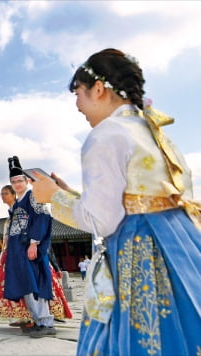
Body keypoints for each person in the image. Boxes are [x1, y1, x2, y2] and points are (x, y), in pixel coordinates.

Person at [31, 48, 201, 356]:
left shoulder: (106, 134)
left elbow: (102, 220)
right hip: (183, 242)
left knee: (138, 337)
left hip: (140, 247)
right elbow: (133, 200)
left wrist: (52, 197)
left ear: (99, 89)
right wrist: (70, 194)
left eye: (79, 94)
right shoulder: (152, 130)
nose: (78, 105)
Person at [3, 157, 56, 338]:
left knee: (35, 283)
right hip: (18, 250)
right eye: (13, 182)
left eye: (20, 181)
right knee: (26, 284)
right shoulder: (17, 203)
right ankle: (37, 320)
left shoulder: (34, 197)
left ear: (27, 181)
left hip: (29, 247)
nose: (17, 184)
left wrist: (34, 243)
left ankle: (46, 322)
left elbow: (43, 218)